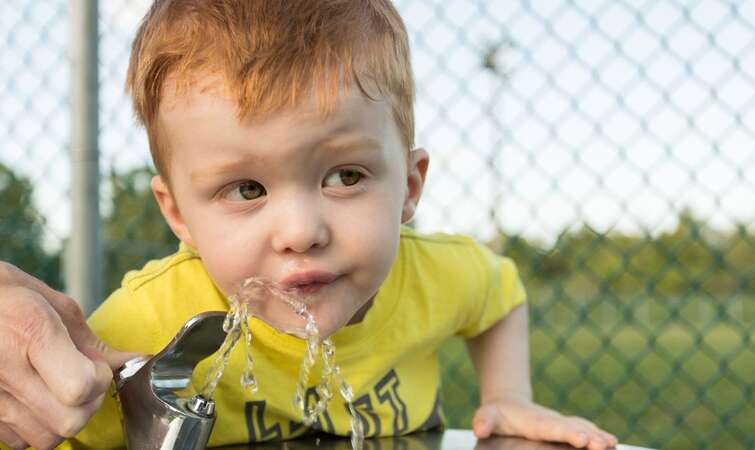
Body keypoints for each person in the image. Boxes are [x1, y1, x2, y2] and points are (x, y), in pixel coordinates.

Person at [0, 1, 618, 449]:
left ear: (409, 186)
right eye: (247, 189)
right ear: (179, 214)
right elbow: (43, 416)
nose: (301, 231)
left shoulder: (437, 272)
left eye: (344, 177)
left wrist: (506, 396)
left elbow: (499, 293)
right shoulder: (147, 327)